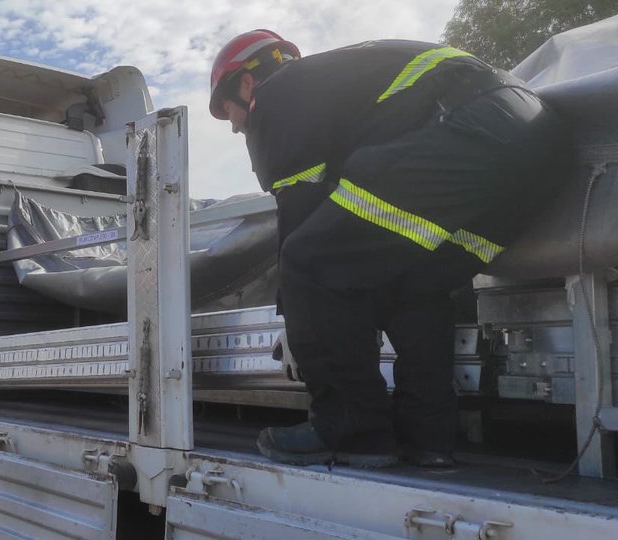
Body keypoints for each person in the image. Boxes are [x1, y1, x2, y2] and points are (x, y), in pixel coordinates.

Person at [208, 30, 566, 468]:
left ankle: (351, 431)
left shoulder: (277, 95)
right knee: (414, 285)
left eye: (226, 111)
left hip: (469, 132)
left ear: (246, 83)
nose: (233, 125)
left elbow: (302, 225)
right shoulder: (343, 88)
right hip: (539, 147)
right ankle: (428, 437)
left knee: (305, 262)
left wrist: (303, 319)